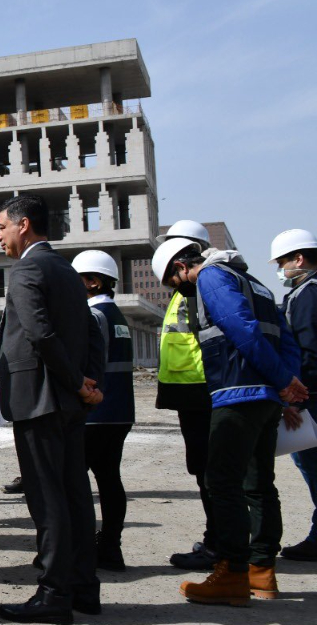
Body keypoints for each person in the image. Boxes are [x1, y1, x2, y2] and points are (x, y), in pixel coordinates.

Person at [152, 238, 307, 605]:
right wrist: (284, 383)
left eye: (177, 284)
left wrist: (284, 382)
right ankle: (261, 571)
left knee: (221, 481)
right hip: (265, 397)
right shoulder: (255, 283)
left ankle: (232, 574)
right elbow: (286, 340)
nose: (182, 292)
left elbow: (241, 328)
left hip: (237, 393)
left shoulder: (210, 277)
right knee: (259, 484)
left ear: (180, 268)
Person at [0, 194, 104, 624]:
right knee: (74, 492)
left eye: (2, 226)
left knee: (47, 498)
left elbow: (38, 333)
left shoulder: (27, 269)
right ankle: (83, 589)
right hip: (69, 401)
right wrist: (90, 385)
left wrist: (78, 382)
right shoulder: (66, 270)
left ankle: (54, 594)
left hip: (40, 399)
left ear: (23, 225)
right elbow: (94, 336)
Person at [156, 221, 219, 570]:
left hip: (202, 391)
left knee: (212, 472)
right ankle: (222, 540)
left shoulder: (205, 287)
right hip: (188, 391)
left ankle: (219, 545)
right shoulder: (187, 292)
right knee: (204, 470)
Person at [71, 251, 135, 572]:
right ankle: (110, 547)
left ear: (93, 282)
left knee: (72, 481)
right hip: (120, 412)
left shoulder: (94, 317)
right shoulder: (119, 317)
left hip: (96, 414)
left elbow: (88, 366)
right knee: (110, 479)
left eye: (77, 282)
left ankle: (79, 550)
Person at [272, 229, 317, 562]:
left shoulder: (305, 296)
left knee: (313, 467)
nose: (281, 269)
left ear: (298, 259)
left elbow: (306, 352)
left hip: (311, 398)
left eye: (283, 262)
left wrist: (293, 398)